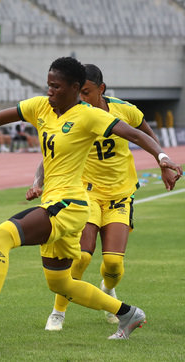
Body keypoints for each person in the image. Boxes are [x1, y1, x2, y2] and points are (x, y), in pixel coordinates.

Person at [0, 57, 182, 340]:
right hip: (55, 202)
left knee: (0, 237)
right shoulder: (40, 106)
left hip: (69, 205)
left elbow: (133, 133)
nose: (49, 92)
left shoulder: (89, 115)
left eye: (56, 87)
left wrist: (162, 158)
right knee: (62, 283)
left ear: (74, 88)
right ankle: (128, 314)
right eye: (48, 85)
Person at [25, 64, 176, 331]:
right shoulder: (73, 114)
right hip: (87, 194)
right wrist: (38, 182)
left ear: (101, 90)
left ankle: (107, 288)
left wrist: (162, 161)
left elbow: (144, 135)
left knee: (114, 264)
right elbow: (54, 154)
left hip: (119, 194)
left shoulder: (125, 110)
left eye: (87, 92)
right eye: (79, 92)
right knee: (81, 257)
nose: (81, 98)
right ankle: (57, 313)